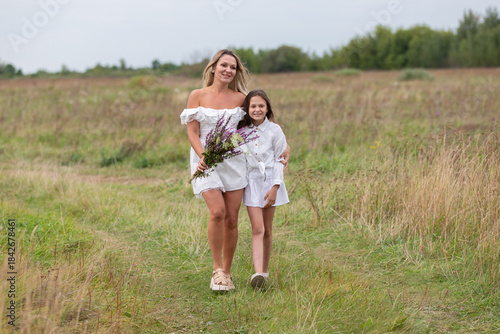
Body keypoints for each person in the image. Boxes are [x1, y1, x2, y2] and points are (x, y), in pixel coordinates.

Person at [180, 49, 250, 291]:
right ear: (213, 67)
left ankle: (228, 273)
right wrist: (203, 156)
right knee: (218, 212)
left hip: (234, 161)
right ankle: (216, 270)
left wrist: (284, 145)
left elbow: (258, 126)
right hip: (205, 160)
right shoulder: (197, 95)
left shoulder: (241, 99)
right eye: (224, 65)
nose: (228, 70)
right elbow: (192, 131)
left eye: (233, 67)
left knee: (231, 219)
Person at [237, 89, 289, 289]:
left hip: (271, 181)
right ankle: (257, 273)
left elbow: (279, 159)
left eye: (261, 106)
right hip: (251, 182)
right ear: (247, 109)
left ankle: (265, 273)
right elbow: (235, 156)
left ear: (267, 108)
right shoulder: (241, 132)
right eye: (253, 106)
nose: (257, 109)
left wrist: (275, 187)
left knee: (267, 229)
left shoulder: (275, 130)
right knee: (257, 228)